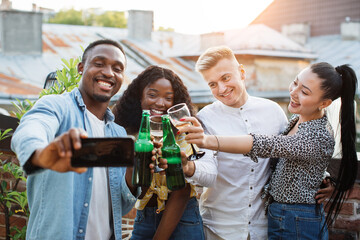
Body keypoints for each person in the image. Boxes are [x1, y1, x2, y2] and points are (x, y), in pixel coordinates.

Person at [181, 62, 358, 239]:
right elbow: (299, 160)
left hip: (297, 219)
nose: (293, 92)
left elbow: (267, 144)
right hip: (282, 216)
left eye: (304, 92)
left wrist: (207, 140)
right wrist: (323, 176)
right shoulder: (298, 119)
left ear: (324, 103)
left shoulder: (316, 135)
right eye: (295, 83)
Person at [11, 39, 160, 240]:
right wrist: (42, 155)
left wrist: (133, 171)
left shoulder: (118, 134)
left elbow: (122, 205)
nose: (108, 72)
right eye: (99, 64)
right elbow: (31, 128)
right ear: (81, 68)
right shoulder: (57, 106)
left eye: (117, 68)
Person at [178, 46, 289, 240]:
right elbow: (207, 173)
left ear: (242, 73)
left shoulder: (273, 111)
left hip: (265, 228)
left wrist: (324, 178)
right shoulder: (204, 118)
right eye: (212, 84)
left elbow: (290, 156)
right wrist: (188, 167)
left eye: (226, 78)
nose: (221, 89)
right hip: (217, 229)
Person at [112, 65, 205, 240]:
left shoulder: (182, 129)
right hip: (144, 217)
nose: (160, 103)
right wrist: (138, 163)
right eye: (152, 95)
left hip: (183, 218)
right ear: (140, 97)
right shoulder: (128, 133)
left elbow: (182, 191)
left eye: (168, 98)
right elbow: (134, 190)